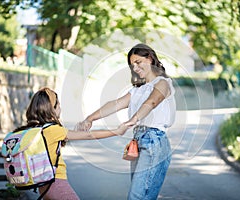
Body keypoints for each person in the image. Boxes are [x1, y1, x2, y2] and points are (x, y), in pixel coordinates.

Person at [77, 43, 176, 200]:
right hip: (139, 140)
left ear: (149, 58)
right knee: (141, 196)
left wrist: (132, 120)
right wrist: (90, 118)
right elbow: (115, 104)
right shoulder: (138, 89)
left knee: (137, 196)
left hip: (154, 141)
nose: (135, 68)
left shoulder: (162, 83)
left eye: (138, 62)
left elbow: (151, 103)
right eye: (132, 65)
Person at [13, 87, 128, 200]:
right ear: (52, 109)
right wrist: (116, 131)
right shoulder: (54, 129)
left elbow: (59, 141)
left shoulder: (37, 130)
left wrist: (76, 131)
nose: (60, 108)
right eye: (58, 105)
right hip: (56, 183)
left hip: (43, 186)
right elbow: (89, 135)